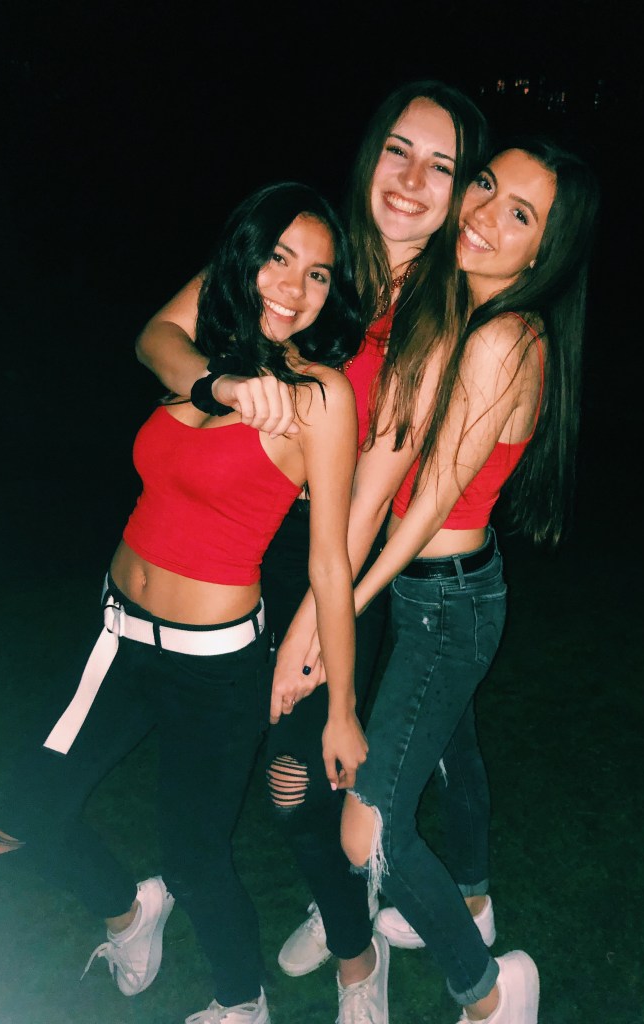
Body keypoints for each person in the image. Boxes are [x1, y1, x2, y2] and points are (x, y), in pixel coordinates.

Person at [136, 80, 489, 1024]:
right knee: (232, 763)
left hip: (328, 560)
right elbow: (161, 333)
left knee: (297, 787)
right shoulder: (307, 247)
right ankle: (333, 912)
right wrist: (214, 386)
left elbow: (371, 493)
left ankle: (357, 961)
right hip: (231, 537)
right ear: (371, 151)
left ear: (460, 192)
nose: (411, 179)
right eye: (399, 149)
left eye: (442, 166)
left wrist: (310, 633)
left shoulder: (437, 315)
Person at [0, 181, 366, 1024]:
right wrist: (218, 385)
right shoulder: (212, 343)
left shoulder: (318, 396)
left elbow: (331, 564)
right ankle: (128, 909)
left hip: (215, 666)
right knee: (17, 819)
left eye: (317, 274)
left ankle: (242, 1003)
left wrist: (342, 708)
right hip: (116, 635)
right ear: (246, 257)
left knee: (195, 859)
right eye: (279, 259)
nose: (294, 288)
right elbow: (152, 339)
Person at [326, 138, 600, 1024]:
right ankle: (472, 900)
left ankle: (489, 992)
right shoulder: (474, 315)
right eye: (484, 185)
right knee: (455, 754)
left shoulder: (503, 340)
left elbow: (426, 504)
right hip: (453, 591)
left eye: (519, 213)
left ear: (546, 250)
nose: (481, 213)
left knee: (368, 832)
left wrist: (339, 608)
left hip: (444, 600)